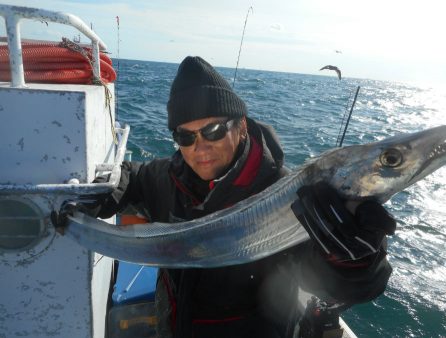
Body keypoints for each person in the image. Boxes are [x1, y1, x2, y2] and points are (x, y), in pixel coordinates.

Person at [53, 56, 396, 338]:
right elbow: (135, 177)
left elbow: (344, 287)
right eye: (184, 137)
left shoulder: (291, 198)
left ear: (241, 126)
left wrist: (355, 263)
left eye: (213, 131)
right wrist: (107, 190)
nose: (199, 147)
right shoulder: (170, 175)